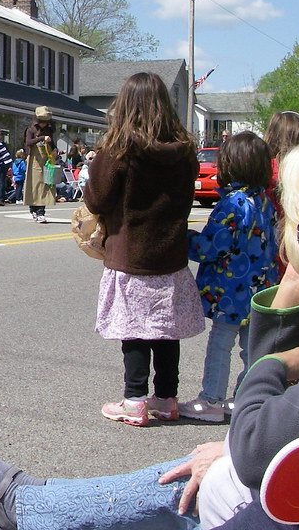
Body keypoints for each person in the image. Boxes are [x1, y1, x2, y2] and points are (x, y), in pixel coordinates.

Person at [0, 123, 299, 530]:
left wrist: (274, 360)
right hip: (252, 291)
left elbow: (258, 447)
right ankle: (148, 413)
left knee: (201, 359)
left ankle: (190, 405)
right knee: (180, 348)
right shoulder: (256, 203)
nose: (298, 247)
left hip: (228, 296)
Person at [83, 72, 201, 426]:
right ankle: (166, 398)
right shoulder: (184, 152)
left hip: (130, 254)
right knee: (166, 330)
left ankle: (134, 399)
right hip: (171, 255)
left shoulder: (118, 151)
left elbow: (98, 199)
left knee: (134, 329)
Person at [178, 131, 279, 423]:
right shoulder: (265, 201)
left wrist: (183, 239)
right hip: (260, 287)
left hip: (229, 289)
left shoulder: (232, 204)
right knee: (253, 347)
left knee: (221, 342)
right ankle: (246, 398)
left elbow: (212, 246)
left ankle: (211, 399)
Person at [22, 107, 57, 223]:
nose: (43, 125)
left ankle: (41, 212)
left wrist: (55, 150)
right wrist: (41, 138)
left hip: (46, 161)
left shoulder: (49, 130)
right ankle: (33, 209)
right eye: (41, 122)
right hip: (34, 161)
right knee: (34, 186)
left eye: (45, 122)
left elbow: (53, 144)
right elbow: (28, 142)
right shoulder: (31, 130)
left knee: (45, 186)